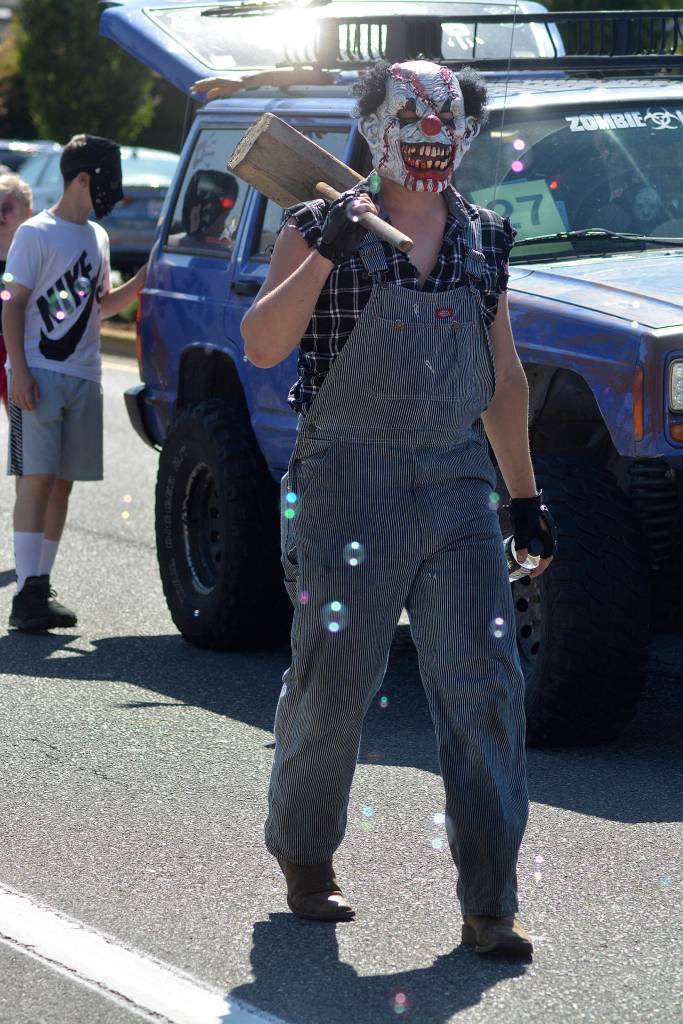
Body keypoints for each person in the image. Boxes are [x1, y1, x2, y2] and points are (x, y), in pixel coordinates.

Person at [242, 60, 558, 959]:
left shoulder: (484, 238)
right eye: (410, 119)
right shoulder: (318, 224)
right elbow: (262, 344)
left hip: (457, 485)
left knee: (484, 685)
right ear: (374, 127)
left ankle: (490, 903)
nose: (430, 137)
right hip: (345, 484)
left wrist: (523, 496)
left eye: (445, 122)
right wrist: (328, 253)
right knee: (333, 684)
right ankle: (306, 858)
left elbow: (501, 377)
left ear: (468, 134)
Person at [3, 134, 146, 632]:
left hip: (85, 374)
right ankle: (26, 592)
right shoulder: (35, 232)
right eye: (108, 181)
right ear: (83, 178)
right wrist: (19, 371)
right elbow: (12, 304)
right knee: (36, 479)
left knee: (62, 483)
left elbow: (98, 308)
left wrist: (141, 280)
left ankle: (40, 585)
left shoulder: (98, 237)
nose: (114, 193)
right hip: (40, 373)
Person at [0, 172, 33, 412]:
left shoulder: (34, 254)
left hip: (18, 348)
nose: (0, 214)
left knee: (20, 421)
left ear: (28, 212)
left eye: (7, 208)